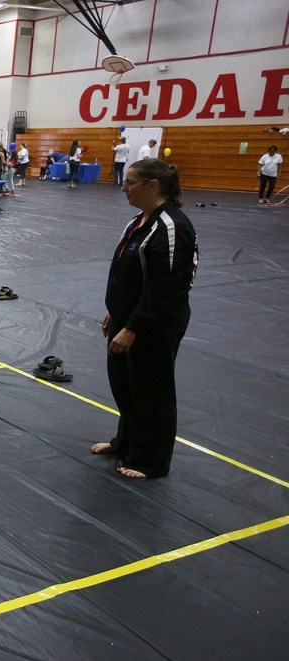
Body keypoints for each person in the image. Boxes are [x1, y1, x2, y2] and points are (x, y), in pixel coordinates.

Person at [92, 159, 198, 479]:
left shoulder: (172, 227)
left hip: (155, 323)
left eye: (131, 183)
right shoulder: (139, 221)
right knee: (125, 385)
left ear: (153, 186)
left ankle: (151, 459)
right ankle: (126, 442)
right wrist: (117, 311)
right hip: (128, 318)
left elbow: (167, 288)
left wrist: (134, 327)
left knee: (151, 389)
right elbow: (128, 275)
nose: (125, 189)